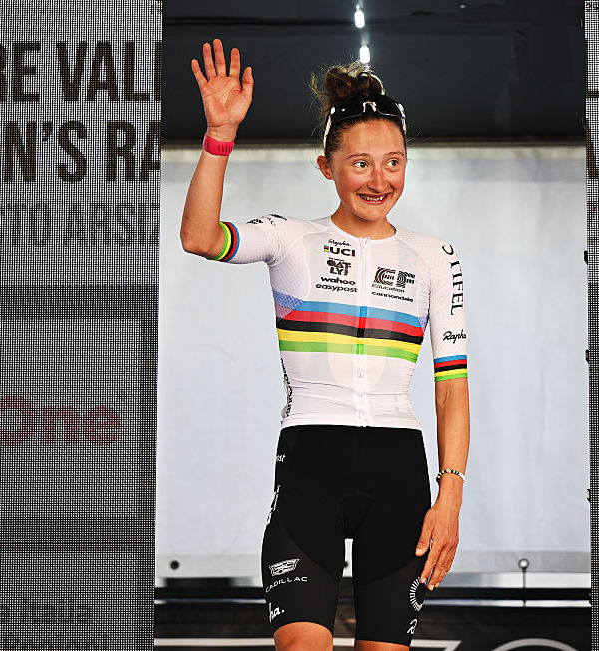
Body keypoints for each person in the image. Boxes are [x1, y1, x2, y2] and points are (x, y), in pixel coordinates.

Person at [181, 39, 470, 651]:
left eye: (393, 162)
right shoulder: (290, 239)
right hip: (311, 464)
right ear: (327, 166)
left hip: (399, 472)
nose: (379, 179)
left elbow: (452, 385)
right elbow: (200, 237)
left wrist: (452, 491)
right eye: (361, 163)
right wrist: (218, 135)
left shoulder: (435, 257)